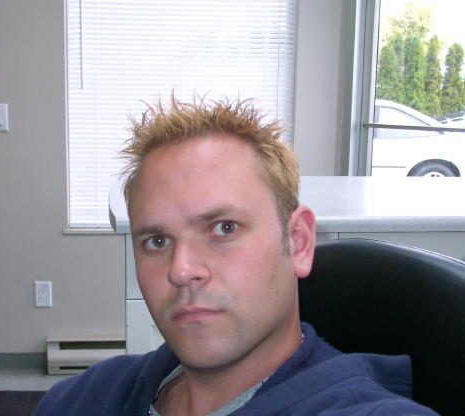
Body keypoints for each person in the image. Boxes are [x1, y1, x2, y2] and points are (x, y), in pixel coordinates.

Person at [34, 96, 439, 416]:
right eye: (157, 241)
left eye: (224, 228)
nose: (181, 270)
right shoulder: (81, 396)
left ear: (298, 243)